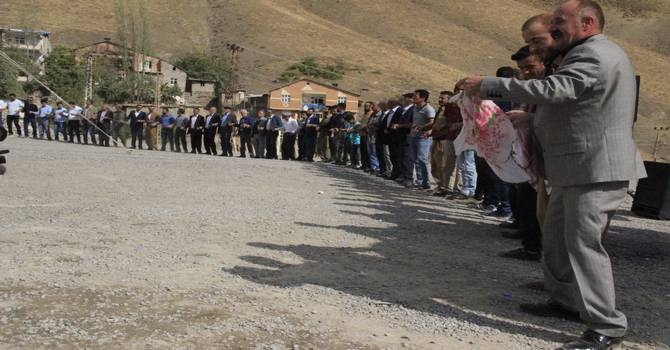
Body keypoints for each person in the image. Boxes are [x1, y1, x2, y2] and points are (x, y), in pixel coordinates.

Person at [457, 1, 646, 348]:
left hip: (594, 168)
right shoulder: (583, 53)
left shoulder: (593, 54)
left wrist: (488, 85)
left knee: (583, 244)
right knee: (557, 238)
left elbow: (558, 91)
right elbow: (577, 105)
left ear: (587, 22)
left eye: (560, 21)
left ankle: (607, 325)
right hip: (576, 168)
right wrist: (531, 119)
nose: (553, 27)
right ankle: (565, 300)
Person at [430, 91, 461, 196]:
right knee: (439, 165)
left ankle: (449, 187)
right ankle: (442, 186)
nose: (440, 100)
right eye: (439, 98)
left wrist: (442, 127)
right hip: (440, 138)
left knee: (446, 165)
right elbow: (440, 122)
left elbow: (447, 124)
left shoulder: (458, 107)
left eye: (442, 98)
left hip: (447, 139)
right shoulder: (444, 109)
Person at [408, 89, 435, 190]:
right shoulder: (414, 108)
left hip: (423, 138)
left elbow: (432, 122)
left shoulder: (429, 109)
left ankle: (426, 182)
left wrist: (422, 127)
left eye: (415, 96)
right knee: (416, 159)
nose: (413, 98)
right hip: (413, 136)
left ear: (423, 98)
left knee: (422, 159)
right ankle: (420, 181)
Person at [365, 102, 381, 174]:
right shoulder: (372, 114)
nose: (372, 107)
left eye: (373, 106)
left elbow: (380, 124)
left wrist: (373, 126)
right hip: (369, 135)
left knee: (374, 153)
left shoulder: (380, 114)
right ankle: (373, 167)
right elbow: (368, 123)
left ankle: (377, 168)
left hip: (375, 136)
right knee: (370, 152)